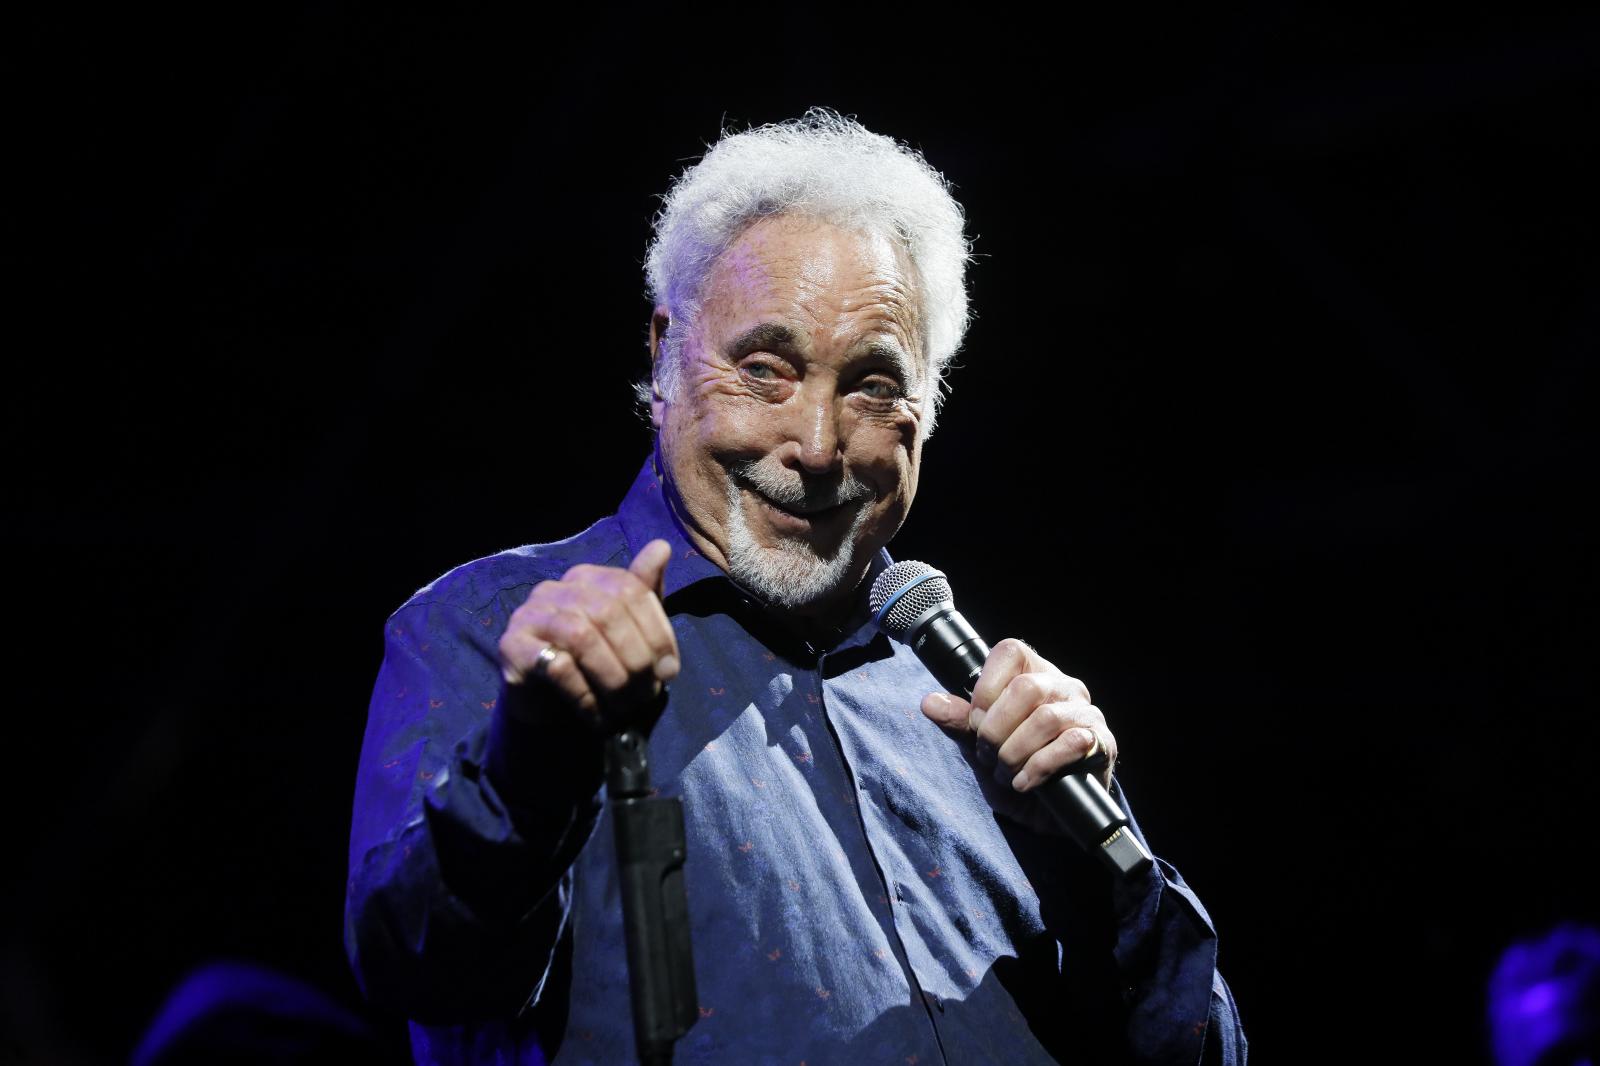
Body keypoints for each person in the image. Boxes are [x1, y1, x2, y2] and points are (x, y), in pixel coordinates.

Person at [345, 108, 1247, 1065]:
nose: (816, 446)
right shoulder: (495, 632)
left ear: (927, 407)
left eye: (871, 384)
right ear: (663, 356)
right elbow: (418, 972)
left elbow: (1203, 1055)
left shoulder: (975, 703)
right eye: (764, 369)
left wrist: (1098, 864)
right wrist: (531, 762)